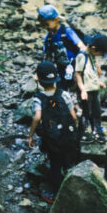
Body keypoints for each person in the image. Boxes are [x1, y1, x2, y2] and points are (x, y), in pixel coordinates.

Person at [27, 61, 80, 204]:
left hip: (52, 139)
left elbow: (37, 117)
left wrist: (31, 135)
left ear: (38, 79)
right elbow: (73, 116)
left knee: (55, 164)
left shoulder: (38, 98)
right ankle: (74, 188)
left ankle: (56, 194)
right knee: (67, 162)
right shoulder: (64, 94)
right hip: (67, 136)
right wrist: (74, 130)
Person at [37, 5, 87, 90]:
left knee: (74, 88)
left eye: (47, 24)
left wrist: (81, 67)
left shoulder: (67, 32)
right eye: (43, 25)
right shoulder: (48, 38)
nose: (45, 27)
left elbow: (82, 47)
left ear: (56, 20)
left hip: (74, 66)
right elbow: (48, 57)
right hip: (60, 68)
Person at [75, 33, 107, 143]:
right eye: (101, 53)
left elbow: (92, 72)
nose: (100, 55)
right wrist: (82, 90)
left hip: (94, 89)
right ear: (94, 49)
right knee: (85, 113)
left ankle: (96, 131)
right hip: (86, 91)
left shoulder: (92, 55)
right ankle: (83, 133)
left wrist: (99, 82)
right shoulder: (82, 56)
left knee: (96, 111)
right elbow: (78, 74)